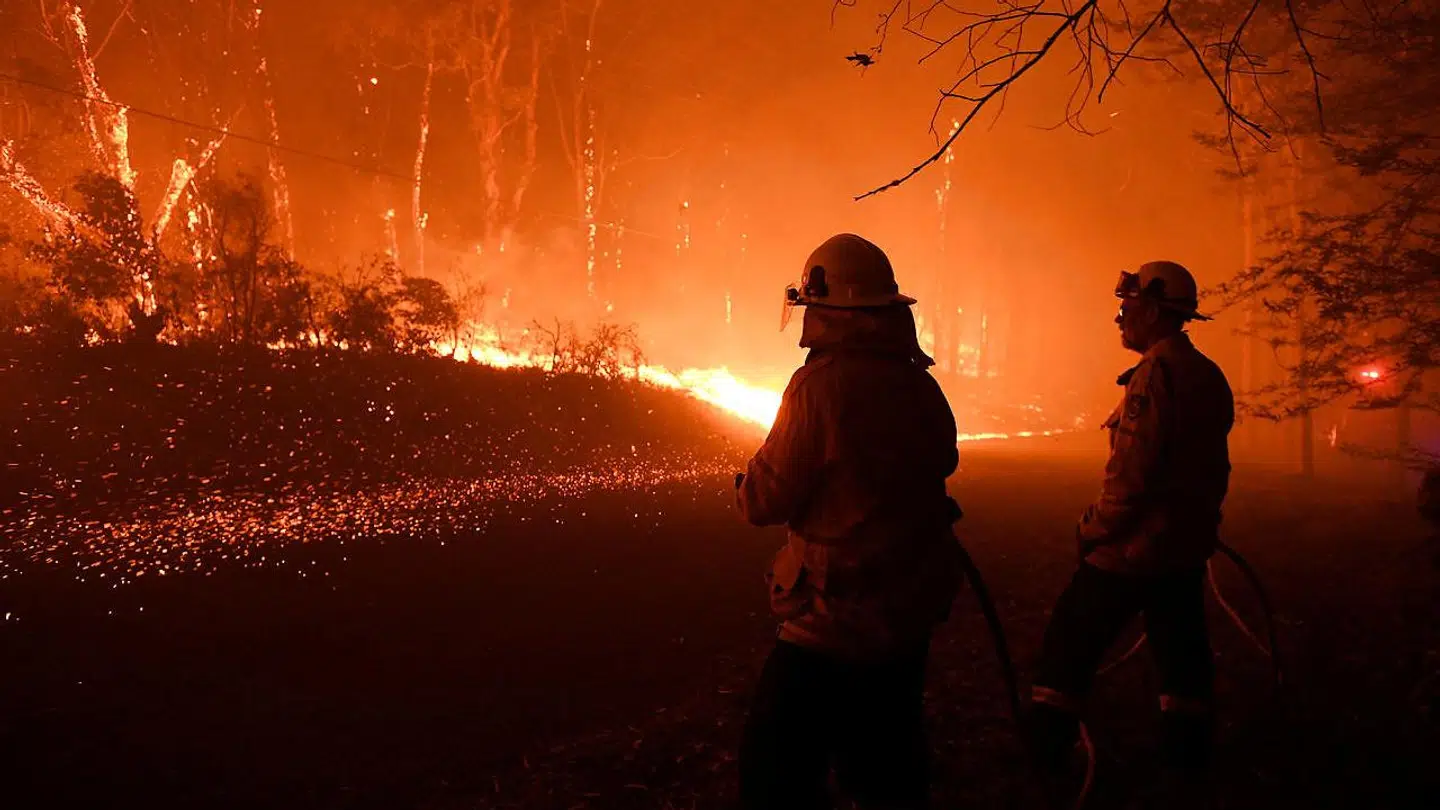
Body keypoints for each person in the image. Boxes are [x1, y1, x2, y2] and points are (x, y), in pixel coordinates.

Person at [735, 233, 964, 810]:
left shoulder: (819, 387)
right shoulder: (919, 384)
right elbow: (942, 461)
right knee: (886, 773)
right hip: (903, 619)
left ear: (829, 308)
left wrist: (746, 483)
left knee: (776, 773)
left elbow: (767, 500)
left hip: (830, 624)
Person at [1025, 261, 1234, 792]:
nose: (1121, 315)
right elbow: (1213, 468)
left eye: (1130, 305)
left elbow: (1131, 479)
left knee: (1069, 645)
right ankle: (1188, 765)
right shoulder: (1206, 374)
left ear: (1156, 311)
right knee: (1183, 655)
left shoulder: (1154, 378)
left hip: (1131, 551)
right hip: (1182, 550)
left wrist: (1093, 528)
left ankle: (1045, 755)